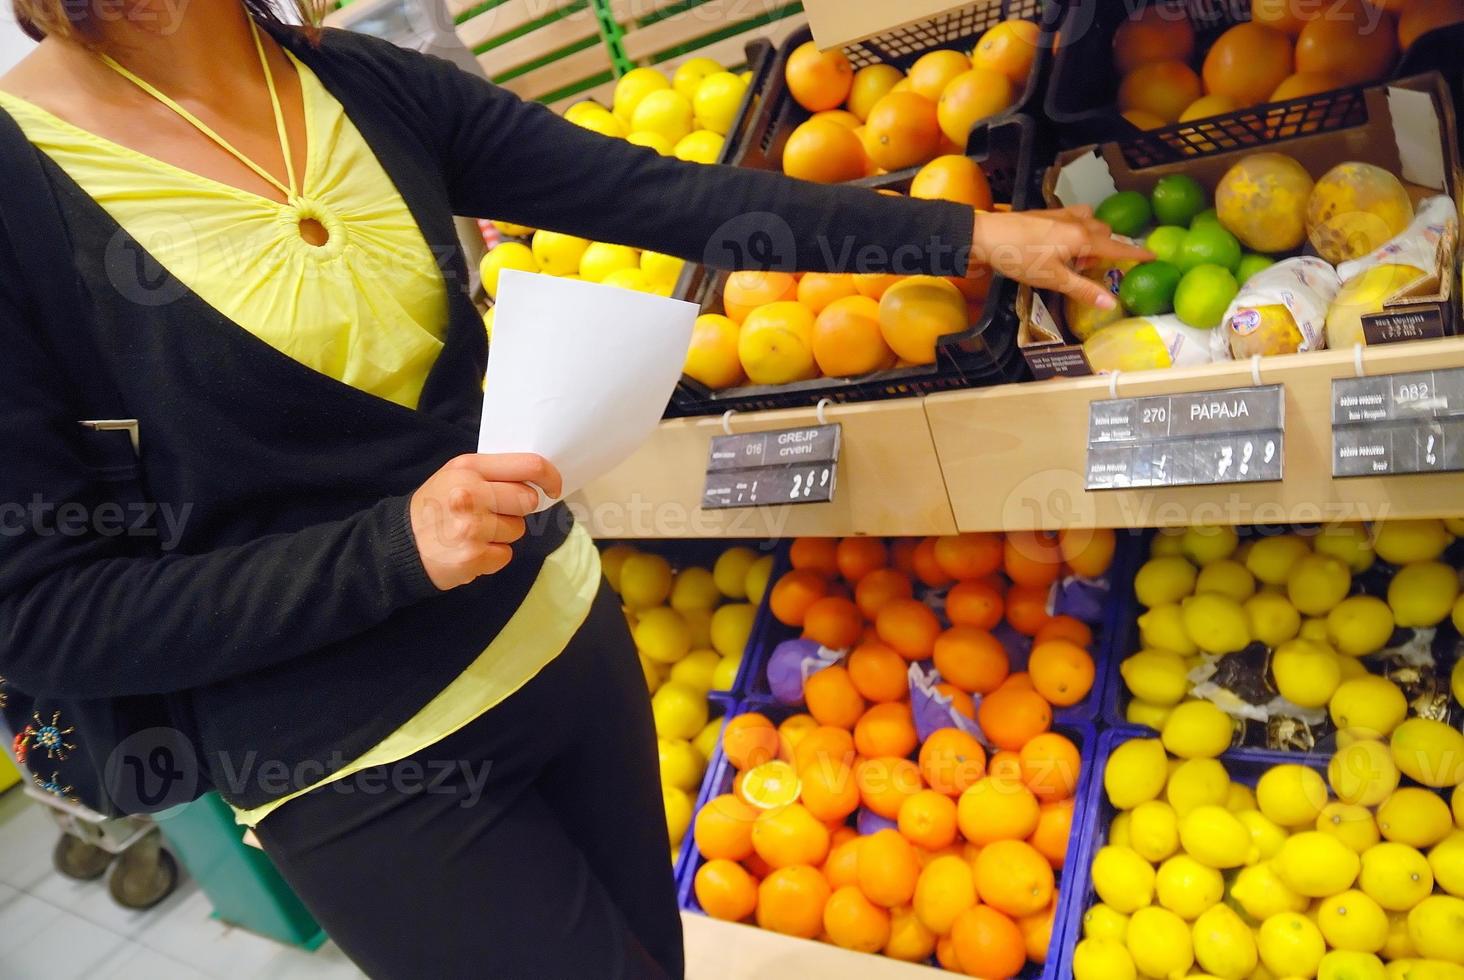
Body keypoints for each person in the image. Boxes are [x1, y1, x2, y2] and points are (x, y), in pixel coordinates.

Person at [0, 0, 1145, 975]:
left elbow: (659, 197)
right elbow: (40, 615)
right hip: (358, 768)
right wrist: (391, 546)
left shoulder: (348, 81)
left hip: (562, 642)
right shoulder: (25, 188)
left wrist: (968, 234)